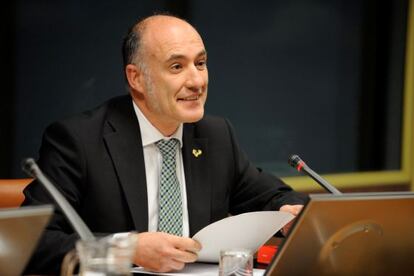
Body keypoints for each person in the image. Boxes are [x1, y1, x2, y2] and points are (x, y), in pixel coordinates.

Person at [22, 14, 307, 274]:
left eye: (200, 63)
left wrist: (288, 212)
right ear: (136, 78)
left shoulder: (215, 135)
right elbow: (33, 243)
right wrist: (127, 249)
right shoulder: (79, 140)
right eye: (176, 66)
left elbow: (273, 196)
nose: (196, 81)